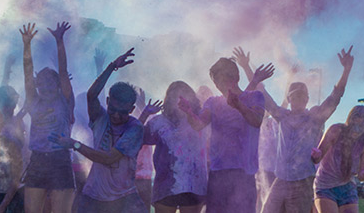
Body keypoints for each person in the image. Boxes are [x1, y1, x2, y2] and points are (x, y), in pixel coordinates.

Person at [234, 46, 354, 213]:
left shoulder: (315, 117)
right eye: (294, 95)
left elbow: (335, 97)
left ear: (307, 98)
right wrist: (246, 67)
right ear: (289, 99)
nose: (298, 98)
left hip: (302, 181)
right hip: (281, 179)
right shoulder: (282, 115)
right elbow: (263, 94)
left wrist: (346, 70)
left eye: (301, 95)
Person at [51, 47, 145, 213]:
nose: (116, 115)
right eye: (112, 109)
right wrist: (111, 67)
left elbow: (109, 159)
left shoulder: (135, 127)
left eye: (122, 112)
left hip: (124, 198)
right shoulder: (101, 117)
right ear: (107, 101)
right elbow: (91, 96)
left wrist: (75, 144)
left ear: (131, 109)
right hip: (93, 195)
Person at [181, 56, 273, 213]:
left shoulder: (254, 97)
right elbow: (198, 124)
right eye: (216, 81)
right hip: (218, 174)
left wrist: (239, 106)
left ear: (236, 78)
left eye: (223, 79)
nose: (219, 85)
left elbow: (256, 121)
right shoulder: (212, 102)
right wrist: (189, 112)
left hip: (244, 174)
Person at [19, 22, 76, 213]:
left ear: (57, 85)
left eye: (49, 83)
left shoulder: (64, 100)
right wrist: (27, 45)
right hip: (37, 161)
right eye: (40, 84)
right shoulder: (34, 100)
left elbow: (62, 72)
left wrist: (59, 41)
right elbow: (27, 73)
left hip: (60, 160)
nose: (44, 87)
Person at [146, 81, 208, 213]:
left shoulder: (201, 117)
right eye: (175, 97)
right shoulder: (159, 121)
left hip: (193, 185)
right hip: (165, 185)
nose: (179, 102)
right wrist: (144, 114)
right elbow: (137, 139)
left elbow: (204, 130)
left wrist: (189, 112)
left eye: (183, 97)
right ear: (168, 100)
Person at [311, 106, 364, 213]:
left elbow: (361, 174)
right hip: (325, 185)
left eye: (361, 126)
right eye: (355, 125)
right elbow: (317, 158)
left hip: (348, 188)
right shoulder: (336, 130)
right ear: (350, 120)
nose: (357, 130)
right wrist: (316, 155)